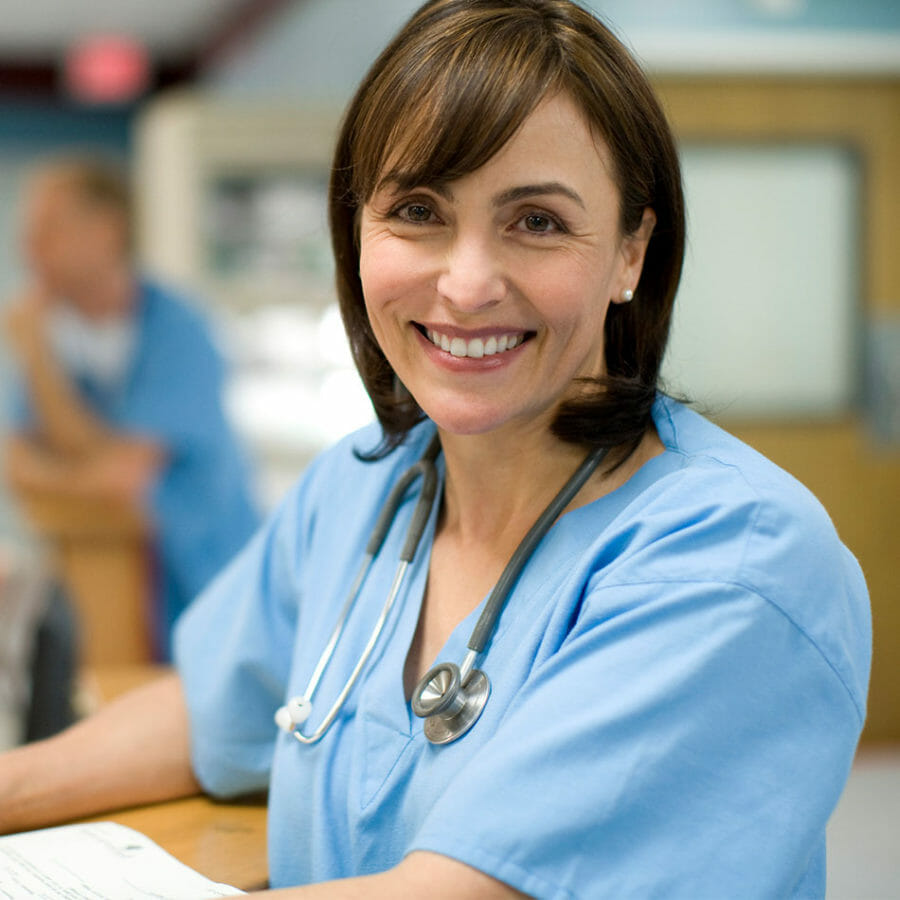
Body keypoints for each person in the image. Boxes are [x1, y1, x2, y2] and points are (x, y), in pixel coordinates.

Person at [0, 1, 870, 896]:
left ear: (630, 253)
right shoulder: (362, 487)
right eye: (417, 210)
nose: (465, 284)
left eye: (536, 221)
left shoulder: (733, 563)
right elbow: (214, 706)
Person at [2, 157, 259, 662]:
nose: (29, 246)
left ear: (107, 230)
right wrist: (93, 472)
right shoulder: (54, 334)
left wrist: (35, 357)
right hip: (107, 588)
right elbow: (15, 466)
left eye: (50, 228)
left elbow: (120, 476)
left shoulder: (177, 330)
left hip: (203, 577)